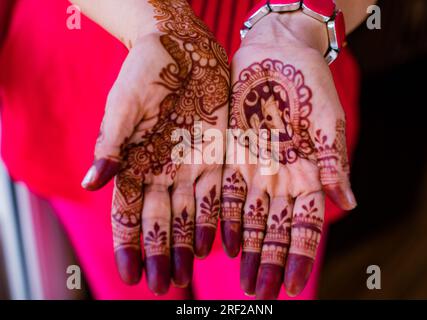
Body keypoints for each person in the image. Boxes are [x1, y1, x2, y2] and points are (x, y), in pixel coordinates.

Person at [0, 0, 375, 299]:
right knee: (135, 282)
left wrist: (296, 26)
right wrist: (152, 23)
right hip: (91, 73)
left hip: (278, 118)